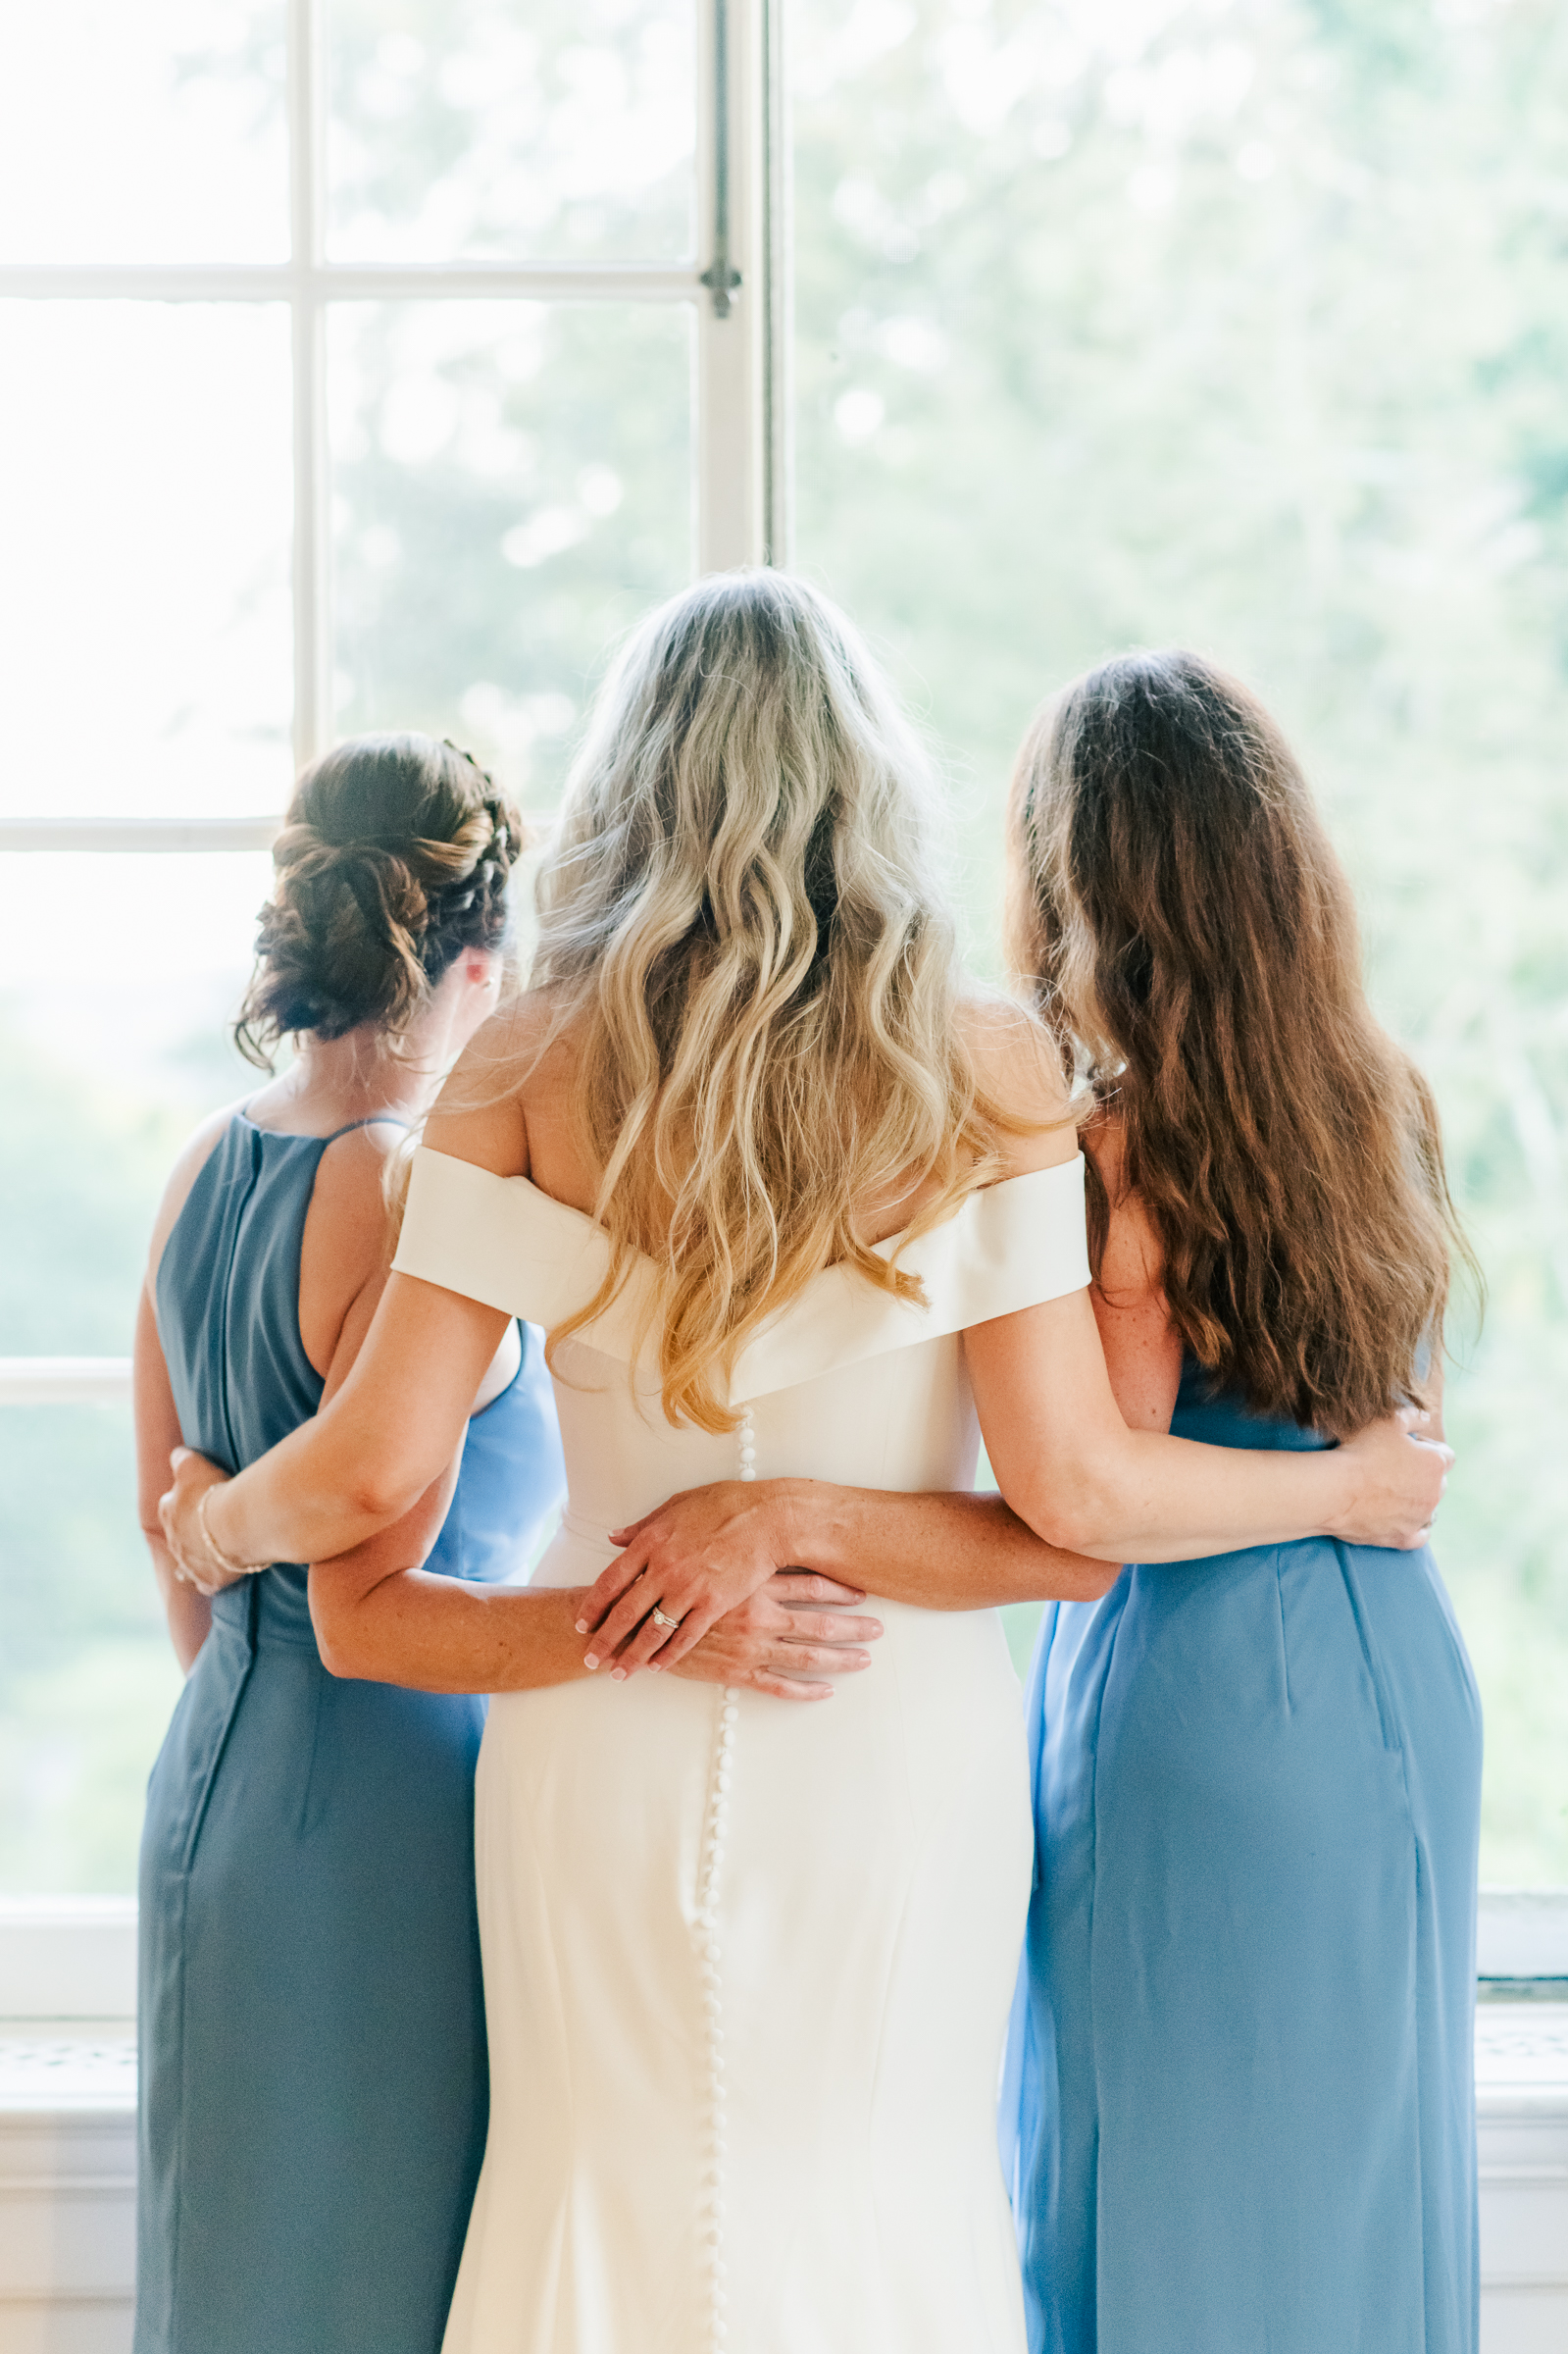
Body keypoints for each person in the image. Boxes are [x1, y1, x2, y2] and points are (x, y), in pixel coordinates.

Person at [159, 578, 1447, 2354]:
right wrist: (805, 1535)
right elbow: (1075, 1524)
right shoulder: (996, 1065)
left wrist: (225, 1522)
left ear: (632, 783)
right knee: (886, 2206)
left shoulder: (521, 1063)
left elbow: (371, 1517)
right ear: (867, 783)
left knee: (598, 2194)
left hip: (592, 1737)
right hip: (892, 1744)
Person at [591, 650, 1482, 2354]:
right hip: (1397, 1670)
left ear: (1074, 877)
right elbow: (1388, 1437)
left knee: (1168, 2186)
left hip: (1212, 1685)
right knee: (1359, 2180)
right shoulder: (1374, 1090)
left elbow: (1093, 1496)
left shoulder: (1119, 1135)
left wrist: (794, 1512)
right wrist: (1354, 1485)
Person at [134, 733, 873, 2354]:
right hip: (387, 1791)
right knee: (366, 2271)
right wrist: (672, 1626)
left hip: (217, 1776)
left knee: (235, 2265)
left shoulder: (204, 1162)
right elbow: (366, 1548)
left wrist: (220, 1578)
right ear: (479, 959)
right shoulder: (404, 1183)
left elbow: (168, 1522)